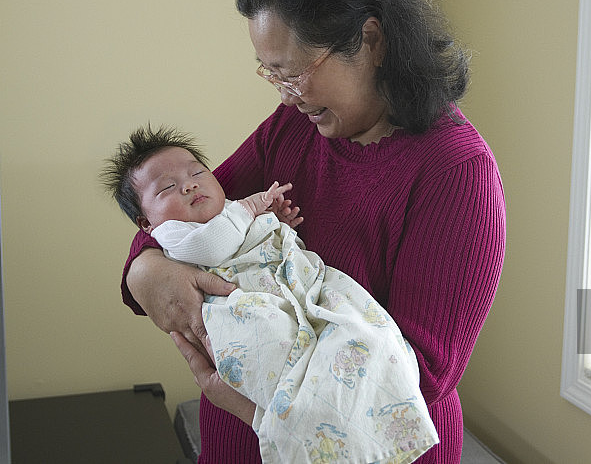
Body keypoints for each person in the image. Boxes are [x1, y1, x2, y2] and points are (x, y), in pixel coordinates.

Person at [120, 0, 506, 463]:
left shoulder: (457, 174)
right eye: (271, 74)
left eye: (294, 72)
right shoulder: (296, 125)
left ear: (370, 40)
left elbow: (420, 376)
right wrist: (146, 272)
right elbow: (182, 217)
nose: (285, 94)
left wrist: (256, 408)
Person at [102, 125, 438, 463]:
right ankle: (305, 427)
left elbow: (249, 235)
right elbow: (213, 244)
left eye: (198, 172)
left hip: (298, 285)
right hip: (242, 302)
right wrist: (252, 208)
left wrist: (273, 224)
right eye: (168, 188)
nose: (190, 184)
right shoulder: (174, 233)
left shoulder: (455, 166)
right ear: (146, 223)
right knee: (273, 343)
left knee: (361, 326)